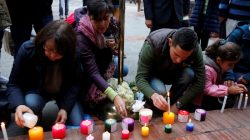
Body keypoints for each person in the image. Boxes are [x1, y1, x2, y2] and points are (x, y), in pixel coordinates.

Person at [7, 20, 83, 127]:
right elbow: (13, 83)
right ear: (43, 41)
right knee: (31, 103)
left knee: (77, 124)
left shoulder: (73, 54)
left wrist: (65, 108)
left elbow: (75, 83)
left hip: (63, 92)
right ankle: (36, 117)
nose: (52, 55)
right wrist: (18, 105)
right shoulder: (28, 49)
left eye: (58, 53)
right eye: (49, 49)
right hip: (37, 90)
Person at [76, 0, 127, 119]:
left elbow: (115, 49)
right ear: (89, 16)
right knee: (80, 117)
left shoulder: (112, 24)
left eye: (106, 18)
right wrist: (115, 96)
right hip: (84, 74)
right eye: (98, 20)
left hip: (102, 65)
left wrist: (112, 46)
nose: (103, 23)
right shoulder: (81, 36)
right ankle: (86, 99)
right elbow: (92, 72)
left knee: (123, 69)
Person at [136, 27, 205, 114]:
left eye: (184, 57)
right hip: (154, 74)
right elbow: (140, 78)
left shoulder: (195, 49)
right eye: (176, 54)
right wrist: (153, 95)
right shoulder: (152, 44)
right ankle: (154, 107)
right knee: (160, 91)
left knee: (189, 74)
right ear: (170, 42)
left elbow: (200, 82)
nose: (179, 61)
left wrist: (178, 104)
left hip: (175, 73)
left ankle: (170, 104)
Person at [200, 39, 247, 110]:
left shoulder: (220, 65)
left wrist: (234, 86)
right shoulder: (207, 69)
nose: (232, 67)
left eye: (234, 64)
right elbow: (207, 89)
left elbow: (217, 83)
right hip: (200, 102)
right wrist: (228, 90)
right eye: (230, 64)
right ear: (219, 60)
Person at [223, 22, 250, 92]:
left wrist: (248, 76)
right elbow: (225, 57)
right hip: (233, 69)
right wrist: (229, 76)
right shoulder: (238, 33)